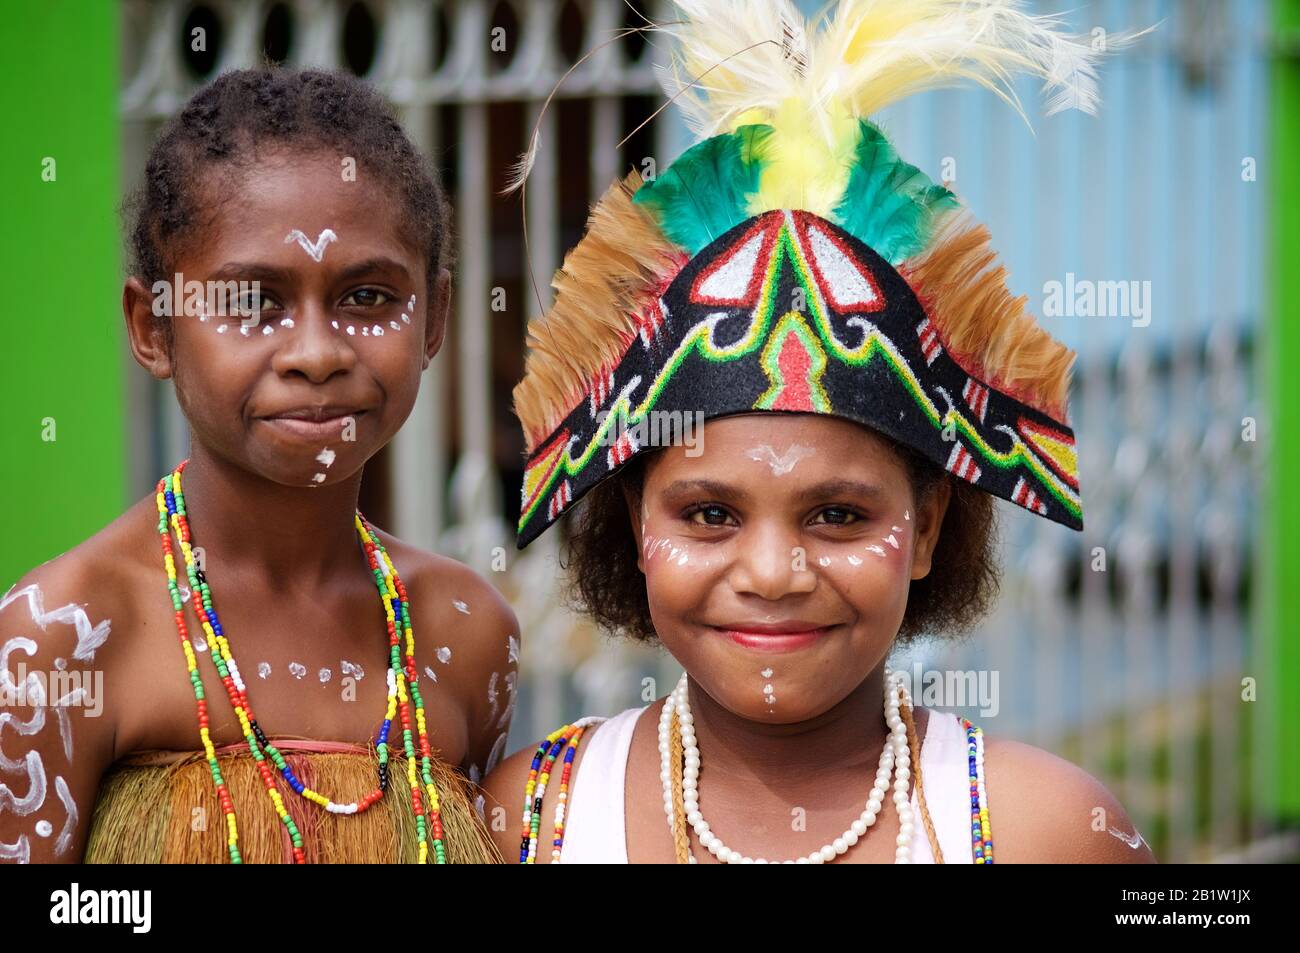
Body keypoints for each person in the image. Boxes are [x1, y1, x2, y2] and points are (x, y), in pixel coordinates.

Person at [482, 0, 1155, 864]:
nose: (772, 574)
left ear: (929, 527)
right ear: (634, 523)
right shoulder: (535, 820)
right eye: (709, 515)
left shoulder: (1052, 831)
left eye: (837, 515)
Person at [0, 67, 515, 864]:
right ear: (154, 327)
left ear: (436, 317)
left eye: (369, 297)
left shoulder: (464, 630)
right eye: (251, 303)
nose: (315, 352)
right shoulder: (64, 632)